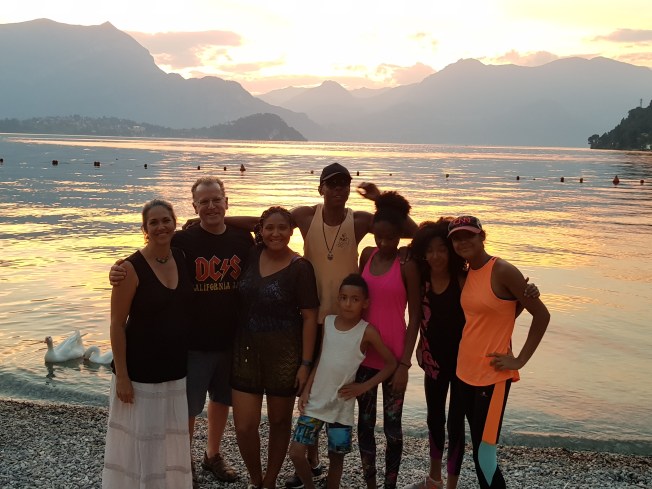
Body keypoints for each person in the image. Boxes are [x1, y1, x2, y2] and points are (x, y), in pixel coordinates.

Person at [109, 177, 254, 485]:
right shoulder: (183, 241)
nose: (211, 206)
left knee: (221, 400)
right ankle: (182, 462)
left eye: (217, 200)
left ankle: (212, 455)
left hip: (231, 338)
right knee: (186, 408)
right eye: (204, 202)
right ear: (194, 207)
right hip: (193, 342)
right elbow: (151, 253)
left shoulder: (243, 239)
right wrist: (118, 268)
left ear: (226, 202)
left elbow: (270, 225)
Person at [447, 216, 550, 489]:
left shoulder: (502, 270)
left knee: (485, 455)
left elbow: (542, 315)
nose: (463, 242)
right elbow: (495, 316)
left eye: (469, 235)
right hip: (464, 372)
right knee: (477, 450)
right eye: (457, 238)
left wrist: (520, 360)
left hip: (492, 377)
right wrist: (519, 304)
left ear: (482, 237)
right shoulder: (467, 273)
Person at [102, 199, 193, 488]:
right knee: (141, 441)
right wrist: (123, 376)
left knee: (169, 439)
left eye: (166, 220)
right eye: (153, 222)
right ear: (145, 229)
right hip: (140, 373)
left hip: (175, 369)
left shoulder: (182, 256)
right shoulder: (129, 269)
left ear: (175, 223)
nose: (161, 227)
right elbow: (117, 324)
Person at [231, 207, 319, 489]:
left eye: (282, 227)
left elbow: (310, 318)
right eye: (269, 227)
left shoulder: (300, 267)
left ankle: (269, 482)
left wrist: (305, 364)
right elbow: (240, 225)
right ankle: (255, 479)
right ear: (260, 230)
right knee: (244, 426)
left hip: (285, 356)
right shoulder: (252, 253)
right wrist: (205, 219)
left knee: (280, 423)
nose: (276, 233)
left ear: (292, 231)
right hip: (246, 352)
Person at [288, 274, 397, 489]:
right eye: (344, 298)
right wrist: (307, 390)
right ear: (338, 298)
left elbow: (391, 363)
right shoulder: (328, 322)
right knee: (296, 452)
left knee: (336, 458)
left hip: (341, 407)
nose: (348, 304)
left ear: (365, 303)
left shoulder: (367, 331)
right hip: (316, 402)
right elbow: (321, 359)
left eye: (355, 299)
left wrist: (363, 387)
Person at [356, 192, 421, 489]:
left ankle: (390, 485)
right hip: (364, 358)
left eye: (391, 238)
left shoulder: (407, 263)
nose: (383, 243)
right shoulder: (366, 255)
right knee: (365, 425)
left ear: (400, 236)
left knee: (393, 430)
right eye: (378, 236)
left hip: (394, 360)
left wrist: (405, 364)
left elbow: (415, 316)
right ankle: (370, 484)